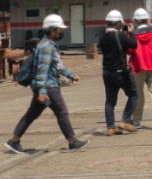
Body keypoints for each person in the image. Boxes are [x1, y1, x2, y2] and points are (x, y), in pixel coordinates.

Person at [5, 14, 90, 154]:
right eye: (59, 30)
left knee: (32, 114)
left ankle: (14, 141)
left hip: (44, 85)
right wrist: (43, 91)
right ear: (52, 31)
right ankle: (72, 142)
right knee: (61, 112)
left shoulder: (50, 45)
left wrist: (71, 75)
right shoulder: (46, 47)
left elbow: (57, 65)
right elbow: (42, 70)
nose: (61, 32)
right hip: (48, 86)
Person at [98, 10, 138, 135]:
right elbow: (134, 45)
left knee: (110, 101)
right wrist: (131, 34)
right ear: (118, 24)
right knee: (133, 94)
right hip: (120, 72)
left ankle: (111, 127)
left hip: (107, 72)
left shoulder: (102, 37)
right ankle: (125, 120)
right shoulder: (120, 36)